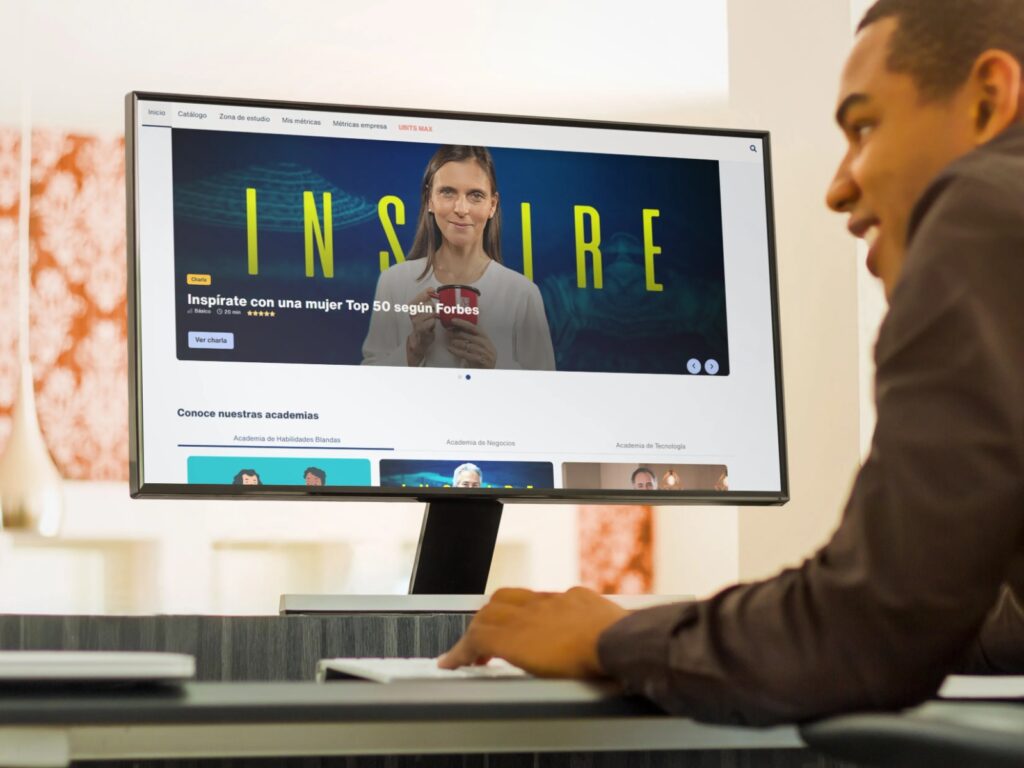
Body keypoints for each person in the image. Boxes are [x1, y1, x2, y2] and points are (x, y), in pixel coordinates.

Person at [440, 0, 1024, 725]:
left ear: (990, 98)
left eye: (865, 126)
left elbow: (868, 630)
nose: (838, 187)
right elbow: (960, 617)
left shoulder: (984, 211)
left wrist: (616, 636)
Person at [361, 145, 556, 371]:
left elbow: (545, 393)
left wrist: (495, 364)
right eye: (447, 192)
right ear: (429, 200)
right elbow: (369, 380)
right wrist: (413, 348)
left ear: (492, 205)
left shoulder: (523, 293)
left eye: (475, 195)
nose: (461, 208)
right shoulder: (393, 282)